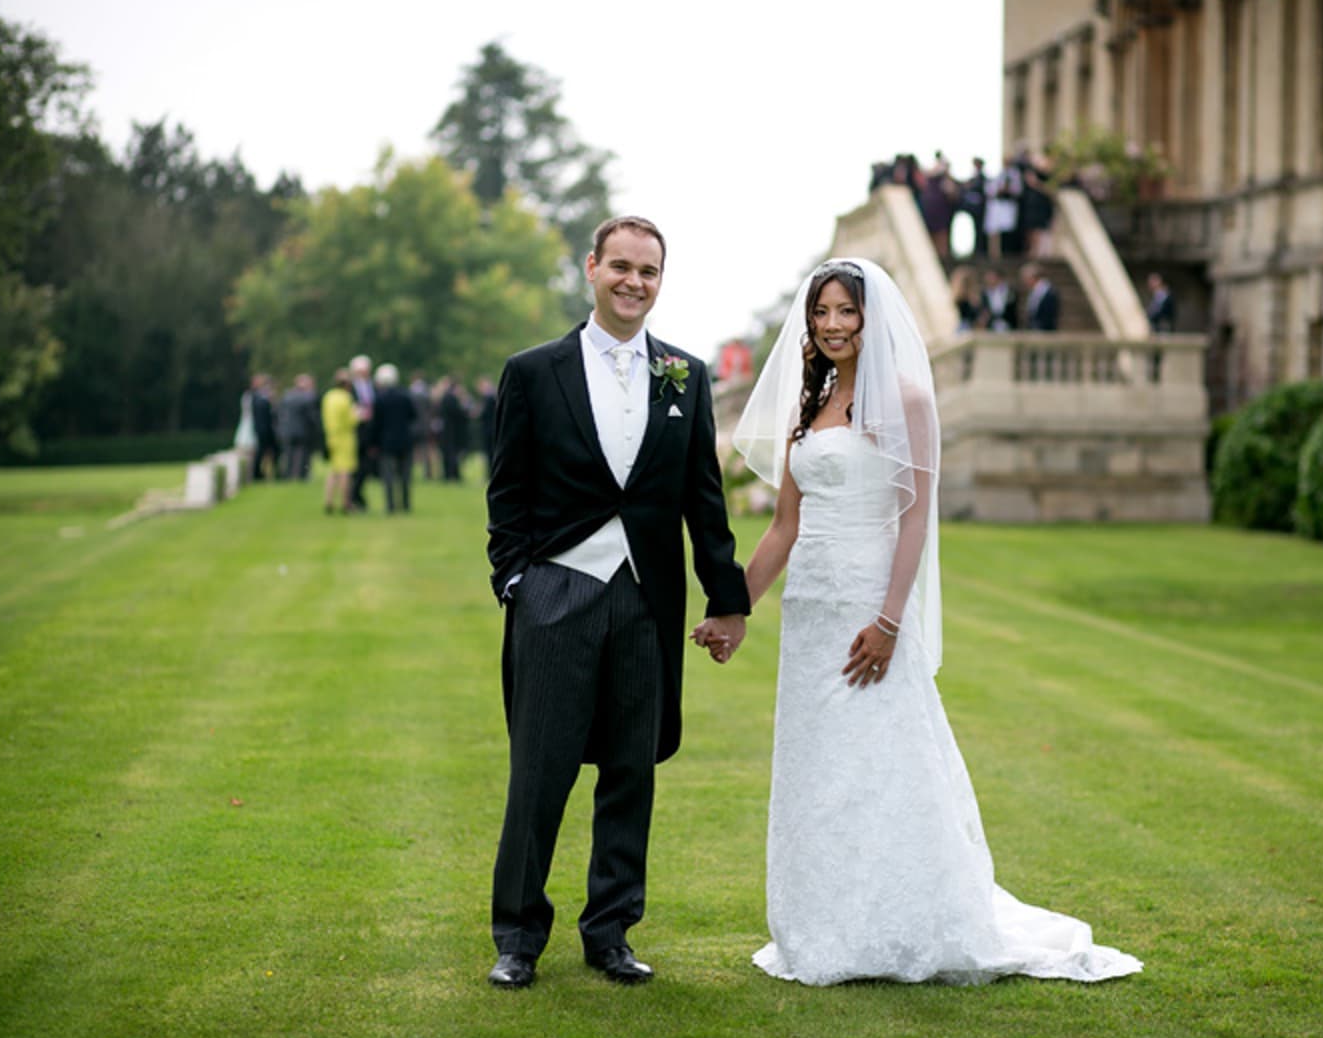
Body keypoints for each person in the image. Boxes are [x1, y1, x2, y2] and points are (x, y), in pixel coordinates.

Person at [723, 258, 1141, 987]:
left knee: (884, 762)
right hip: (809, 615)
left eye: (845, 311)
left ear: (870, 318)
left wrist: (888, 621)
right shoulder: (807, 404)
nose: (831, 325)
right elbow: (784, 528)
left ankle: (904, 921)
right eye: (820, 312)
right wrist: (734, 609)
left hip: (869, 606)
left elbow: (916, 519)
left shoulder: (909, 400)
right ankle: (824, 926)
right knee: (818, 772)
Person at [484, 215, 751, 991]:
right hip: (556, 592)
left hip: (646, 600)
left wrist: (726, 599)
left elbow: (705, 500)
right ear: (592, 269)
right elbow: (507, 493)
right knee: (540, 771)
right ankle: (518, 937)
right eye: (623, 266)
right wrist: (517, 583)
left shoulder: (685, 375)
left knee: (632, 769)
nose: (636, 281)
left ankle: (610, 932)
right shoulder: (533, 371)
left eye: (650, 271)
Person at [372, 362, 416, 514]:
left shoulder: (380, 399)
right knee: (405, 476)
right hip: (405, 440)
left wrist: (373, 443)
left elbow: (376, 423)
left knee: (389, 476)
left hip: (387, 442)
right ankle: (405, 504)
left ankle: (390, 505)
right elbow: (413, 416)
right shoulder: (405, 396)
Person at [320, 369, 357, 514]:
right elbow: (349, 420)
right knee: (345, 472)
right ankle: (346, 503)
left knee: (333, 471)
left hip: (331, 437)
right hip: (344, 438)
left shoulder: (328, 397)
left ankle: (329, 500)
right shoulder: (346, 398)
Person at [348, 355, 377, 510]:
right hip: (356, 431)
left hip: (368, 432)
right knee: (356, 468)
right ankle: (355, 497)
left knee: (365, 467)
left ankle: (356, 496)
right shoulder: (351, 389)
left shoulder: (371, 386)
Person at [279, 374, 319, 481]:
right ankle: (301, 475)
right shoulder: (308, 397)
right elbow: (312, 417)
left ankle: (288, 475)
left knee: (289, 454)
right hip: (303, 430)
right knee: (303, 454)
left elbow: (280, 413)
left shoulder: (287, 396)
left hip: (287, 430)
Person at [1021, 262, 1060, 331]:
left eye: (1025, 278)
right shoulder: (1034, 291)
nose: (1024, 282)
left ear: (1032, 278)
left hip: (1045, 329)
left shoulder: (1049, 292)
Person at [474, 376, 497, 483]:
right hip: (491, 429)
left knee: (490, 453)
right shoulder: (492, 396)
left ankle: (490, 474)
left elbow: (484, 414)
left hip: (489, 430)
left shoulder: (488, 397)